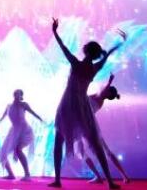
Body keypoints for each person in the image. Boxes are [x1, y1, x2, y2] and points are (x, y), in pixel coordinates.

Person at [49, 18, 123, 189]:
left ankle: (58, 180)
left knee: (59, 140)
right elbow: (108, 54)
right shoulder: (95, 67)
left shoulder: (76, 63)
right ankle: (110, 182)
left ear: (86, 51)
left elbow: (63, 47)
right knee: (95, 143)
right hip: (82, 105)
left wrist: (54, 31)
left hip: (68, 104)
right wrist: (117, 44)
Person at [85, 74, 131, 185]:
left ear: (108, 94)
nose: (104, 88)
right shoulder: (98, 97)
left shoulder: (99, 98)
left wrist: (110, 81)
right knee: (84, 152)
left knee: (104, 151)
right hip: (84, 124)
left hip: (88, 125)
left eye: (107, 89)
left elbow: (104, 90)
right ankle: (101, 176)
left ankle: (122, 175)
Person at [0, 89, 44, 181]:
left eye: (18, 94)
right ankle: (11, 174)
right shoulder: (9, 106)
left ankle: (27, 174)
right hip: (14, 132)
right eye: (15, 93)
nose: (16, 95)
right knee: (1, 153)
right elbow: (2, 117)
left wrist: (41, 119)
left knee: (18, 150)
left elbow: (33, 113)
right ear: (13, 95)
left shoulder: (24, 105)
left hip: (25, 131)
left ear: (21, 96)